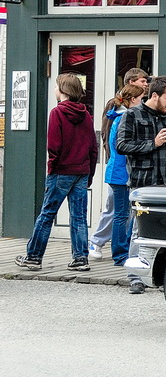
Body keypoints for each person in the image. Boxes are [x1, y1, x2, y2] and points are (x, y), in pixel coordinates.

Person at [15, 73, 99, 272]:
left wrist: (51, 168)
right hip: (81, 171)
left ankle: (34, 256)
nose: (54, 90)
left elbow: (54, 146)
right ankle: (80, 258)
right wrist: (90, 173)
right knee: (79, 217)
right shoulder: (86, 115)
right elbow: (93, 147)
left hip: (61, 171)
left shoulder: (57, 112)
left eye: (56, 87)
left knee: (47, 214)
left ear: (62, 90)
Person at [116, 75, 166, 293]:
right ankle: (135, 277)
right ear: (154, 95)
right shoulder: (131, 115)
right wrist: (152, 143)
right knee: (140, 229)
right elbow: (121, 145)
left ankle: (164, 274)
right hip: (143, 183)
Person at [88, 68, 150, 260]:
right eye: (142, 82)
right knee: (119, 213)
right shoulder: (123, 117)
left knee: (122, 212)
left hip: (120, 170)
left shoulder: (120, 114)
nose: (146, 84)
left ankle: (117, 248)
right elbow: (114, 142)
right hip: (121, 172)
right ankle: (118, 252)